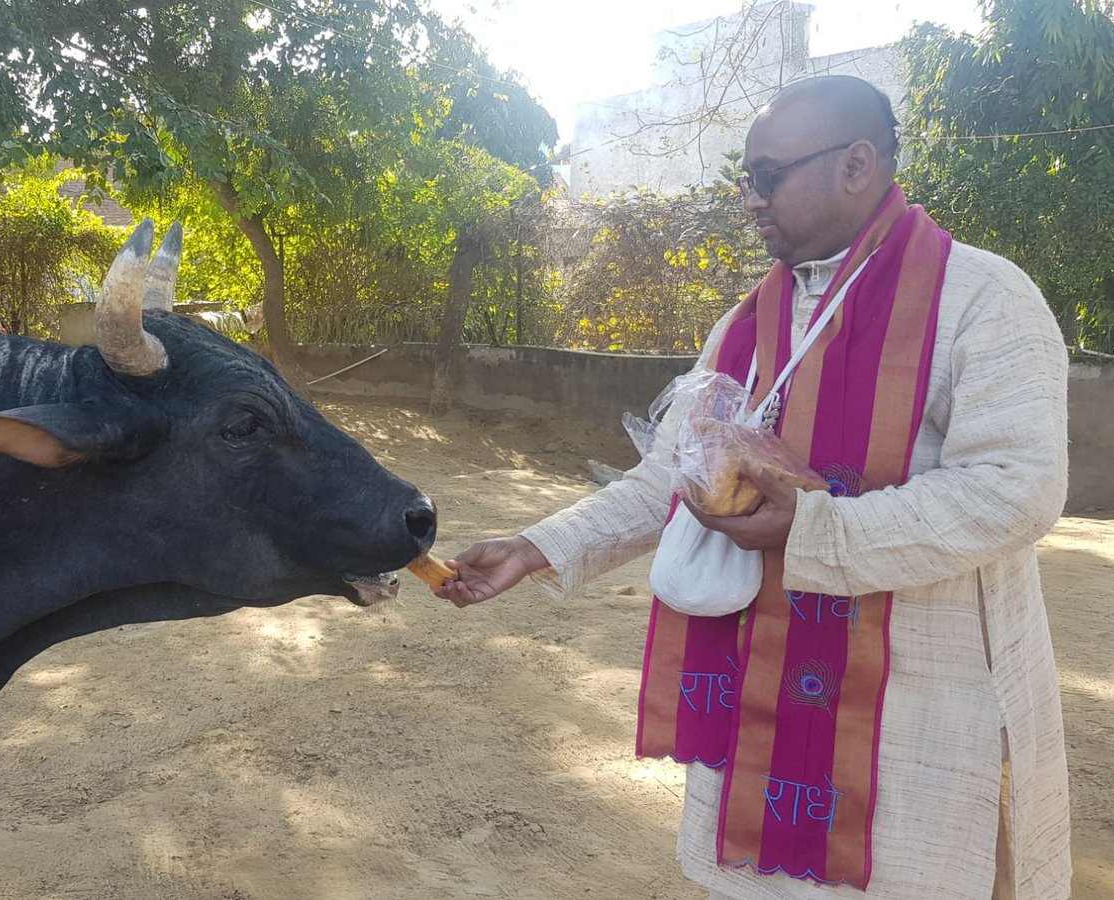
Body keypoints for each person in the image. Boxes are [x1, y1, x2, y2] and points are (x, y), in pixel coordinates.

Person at [435, 75, 1071, 900]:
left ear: (856, 164)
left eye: (768, 175)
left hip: (917, 718)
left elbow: (1015, 492)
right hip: (760, 691)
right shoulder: (745, 325)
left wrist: (812, 532)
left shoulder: (984, 299)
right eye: (746, 178)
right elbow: (671, 475)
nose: (749, 199)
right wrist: (538, 546)